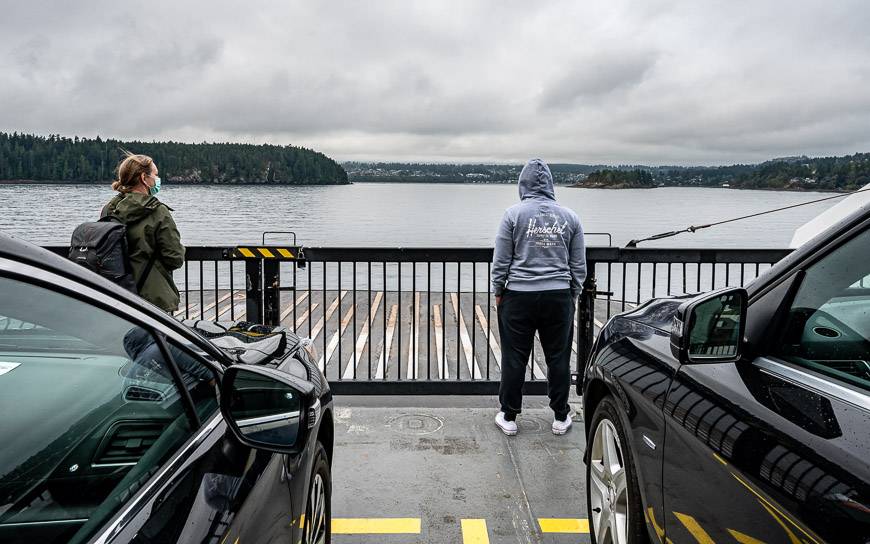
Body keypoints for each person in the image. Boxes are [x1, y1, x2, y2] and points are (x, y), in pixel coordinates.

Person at [491, 158, 586, 436]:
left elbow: (501, 260)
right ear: (551, 185)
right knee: (558, 357)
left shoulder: (513, 215)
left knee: (514, 357)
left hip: (518, 295)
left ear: (523, 185)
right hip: (558, 296)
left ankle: (509, 416)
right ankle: (560, 415)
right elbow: (578, 265)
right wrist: (573, 293)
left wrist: (499, 289)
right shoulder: (570, 217)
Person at [102, 152, 185, 312]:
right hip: (151, 298)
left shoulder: (109, 209)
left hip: (116, 293)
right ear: (143, 178)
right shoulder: (158, 211)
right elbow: (174, 258)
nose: (158, 179)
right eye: (155, 174)